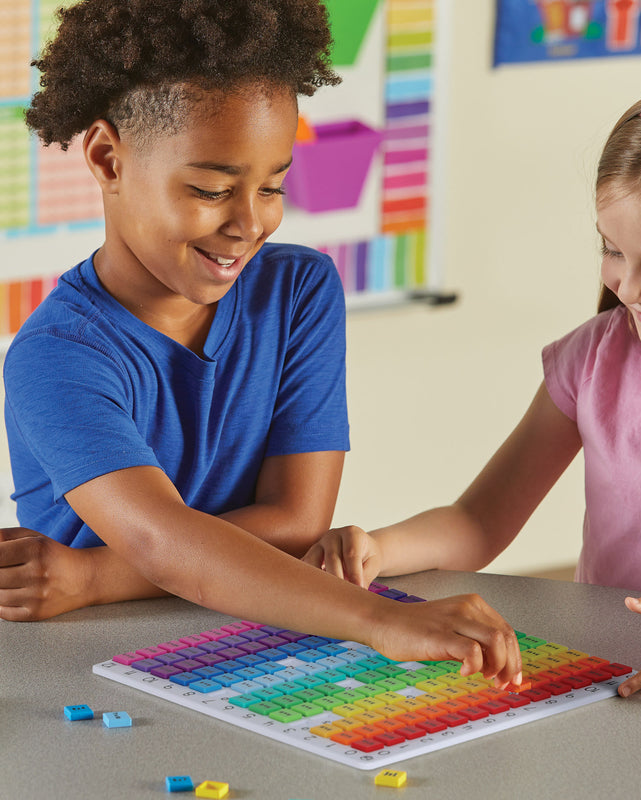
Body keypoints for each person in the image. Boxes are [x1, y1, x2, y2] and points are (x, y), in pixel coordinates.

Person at [0, 0, 522, 687]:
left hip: (261, 641)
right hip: (88, 663)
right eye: (211, 189)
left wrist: (96, 574)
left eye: (273, 185)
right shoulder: (57, 355)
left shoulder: (299, 290)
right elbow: (163, 540)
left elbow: (300, 518)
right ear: (107, 158)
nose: (251, 223)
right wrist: (382, 621)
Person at [304, 73, 641, 699]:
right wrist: (380, 547)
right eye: (612, 250)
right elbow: (479, 521)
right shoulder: (593, 358)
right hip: (609, 674)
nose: (630, 286)